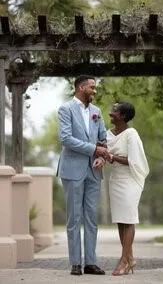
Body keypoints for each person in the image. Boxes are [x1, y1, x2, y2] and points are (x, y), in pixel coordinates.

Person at [57, 75, 109, 276]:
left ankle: (91, 262)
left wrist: (102, 158)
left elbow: (103, 140)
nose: (94, 91)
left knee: (91, 218)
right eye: (92, 87)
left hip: (94, 170)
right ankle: (76, 263)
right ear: (81, 87)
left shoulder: (97, 111)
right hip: (72, 169)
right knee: (74, 217)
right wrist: (94, 149)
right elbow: (66, 139)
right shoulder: (65, 109)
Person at [94, 102, 149, 276]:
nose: (111, 112)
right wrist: (102, 158)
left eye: (115, 110)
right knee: (120, 219)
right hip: (116, 179)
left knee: (129, 218)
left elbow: (134, 161)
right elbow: (105, 154)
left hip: (130, 179)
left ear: (123, 116)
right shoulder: (108, 134)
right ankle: (130, 258)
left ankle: (124, 260)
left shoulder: (131, 134)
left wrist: (111, 157)